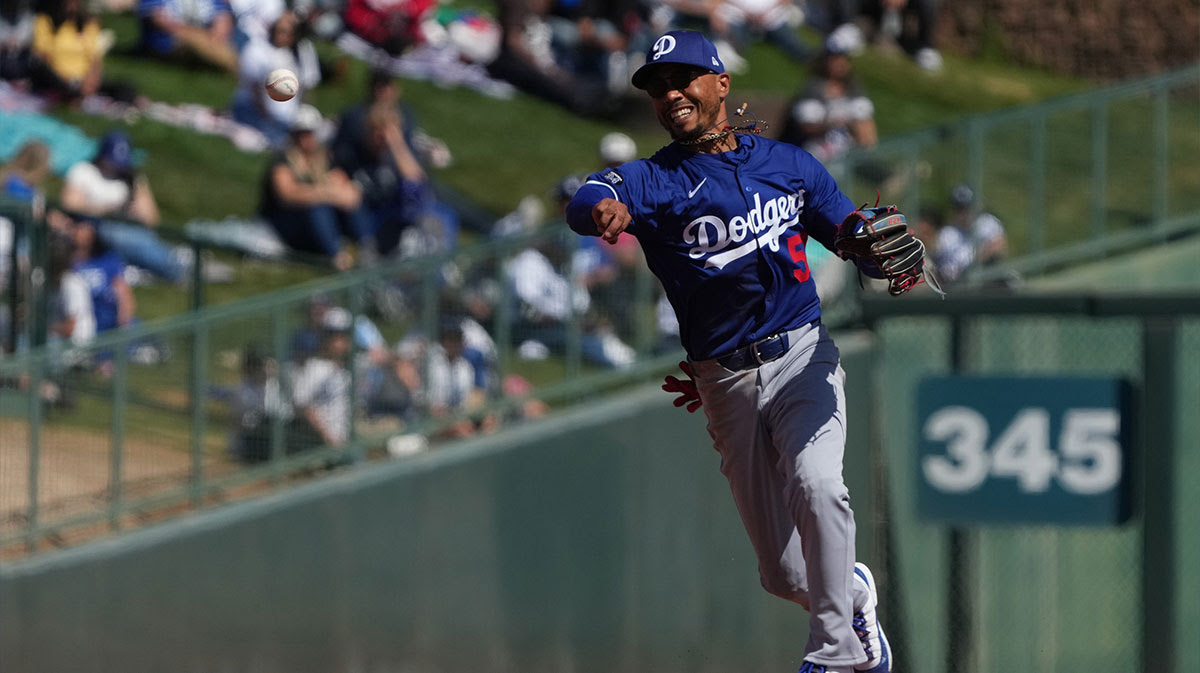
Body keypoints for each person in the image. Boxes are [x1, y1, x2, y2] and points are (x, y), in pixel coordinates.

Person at [566, 30, 898, 673]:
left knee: (819, 482)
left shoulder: (790, 165)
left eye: (683, 78)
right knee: (781, 573)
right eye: (658, 87)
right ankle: (853, 596)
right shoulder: (655, 180)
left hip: (803, 355)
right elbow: (591, 194)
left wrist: (867, 241)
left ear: (721, 84)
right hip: (725, 382)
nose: (670, 94)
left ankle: (834, 655)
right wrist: (599, 207)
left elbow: (846, 229)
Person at [59, 129, 185, 283]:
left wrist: (135, 211)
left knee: (140, 238)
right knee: (116, 235)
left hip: (131, 228)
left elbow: (153, 220)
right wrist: (106, 210)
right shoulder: (84, 172)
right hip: (99, 228)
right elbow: (70, 205)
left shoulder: (132, 178)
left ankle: (175, 265)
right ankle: (174, 270)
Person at [260, 104, 375, 271]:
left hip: (315, 223)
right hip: (286, 223)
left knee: (352, 205)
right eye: (302, 133)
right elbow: (287, 194)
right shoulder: (283, 159)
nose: (306, 138)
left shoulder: (324, 158)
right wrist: (325, 192)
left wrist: (330, 193)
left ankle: (368, 249)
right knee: (317, 209)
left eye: (310, 133)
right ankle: (338, 258)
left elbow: (348, 192)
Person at [778, 36, 877, 163]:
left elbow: (865, 120)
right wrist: (835, 124)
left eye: (844, 59)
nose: (840, 64)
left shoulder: (853, 88)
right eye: (835, 59)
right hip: (814, 148)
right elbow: (808, 127)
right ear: (825, 61)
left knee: (864, 126)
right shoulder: (813, 88)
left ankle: (871, 158)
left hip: (846, 147)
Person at [230, 9, 321, 147]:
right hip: (257, 112)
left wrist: (303, 116)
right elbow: (254, 88)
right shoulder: (257, 49)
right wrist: (270, 119)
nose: (282, 36)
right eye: (280, 30)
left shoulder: (302, 52)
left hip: (288, 118)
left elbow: (306, 89)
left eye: (288, 33)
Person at [138, 0, 237, 72]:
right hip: (168, 40)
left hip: (207, 39)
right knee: (196, 39)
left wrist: (215, 36)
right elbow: (160, 21)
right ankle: (240, 71)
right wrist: (198, 34)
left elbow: (223, 19)